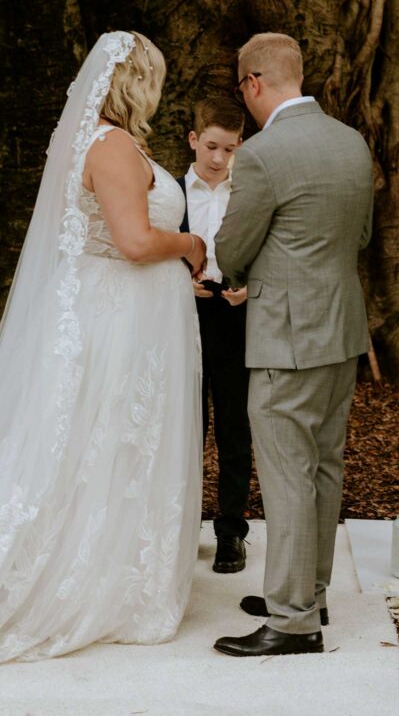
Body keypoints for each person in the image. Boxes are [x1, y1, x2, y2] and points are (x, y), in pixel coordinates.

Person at [0, 31, 207, 693]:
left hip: (126, 321)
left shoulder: (108, 142)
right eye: (155, 78)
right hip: (115, 326)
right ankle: (92, 582)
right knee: (100, 446)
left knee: (111, 449)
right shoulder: (110, 147)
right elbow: (135, 241)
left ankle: (114, 567)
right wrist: (191, 244)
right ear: (136, 81)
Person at [213, 32, 373, 658]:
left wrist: (237, 271)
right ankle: (310, 589)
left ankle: (292, 620)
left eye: (241, 88)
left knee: (286, 475)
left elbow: (232, 250)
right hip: (342, 330)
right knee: (323, 465)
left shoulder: (263, 153)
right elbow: (357, 234)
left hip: (287, 338)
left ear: (253, 83)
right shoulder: (351, 141)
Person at [177, 97, 251, 574]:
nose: (219, 158)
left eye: (229, 148)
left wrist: (251, 286)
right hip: (181, 314)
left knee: (233, 426)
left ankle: (230, 531)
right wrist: (178, 283)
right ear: (193, 140)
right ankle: (181, 530)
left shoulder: (249, 191)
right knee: (184, 426)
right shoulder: (169, 191)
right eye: (210, 146)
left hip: (234, 314)